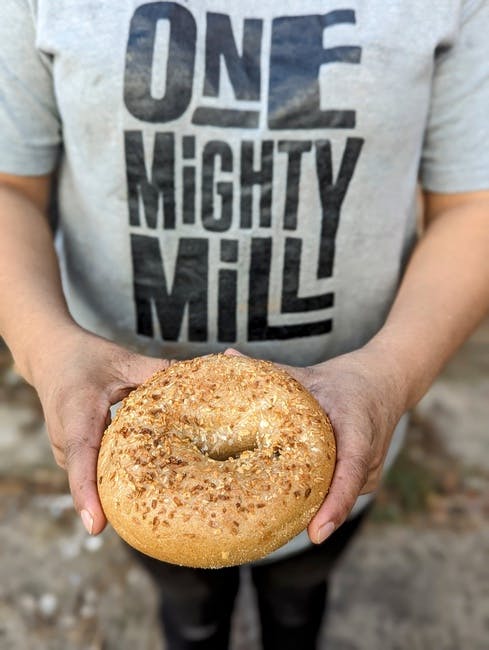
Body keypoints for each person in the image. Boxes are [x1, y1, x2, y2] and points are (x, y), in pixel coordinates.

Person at [0, 1, 488, 648]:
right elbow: (10, 186)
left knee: (303, 582)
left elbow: (472, 204)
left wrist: (390, 375)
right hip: (126, 436)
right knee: (186, 598)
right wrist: (47, 348)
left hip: (350, 427)